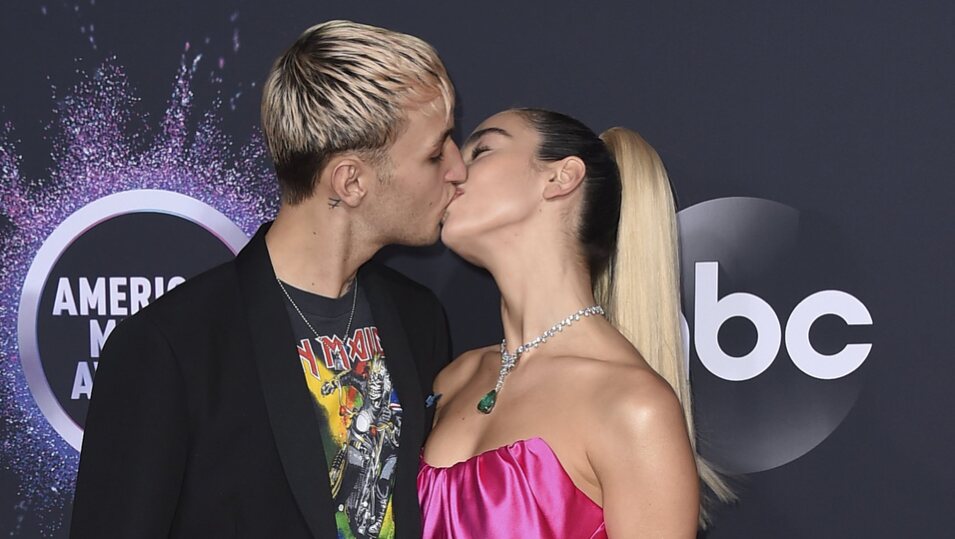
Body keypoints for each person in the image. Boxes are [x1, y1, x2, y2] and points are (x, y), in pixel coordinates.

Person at [71, 20, 466, 538]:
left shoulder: (418, 318)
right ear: (351, 181)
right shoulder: (172, 347)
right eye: (436, 153)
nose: (458, 168)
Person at [418, 109, 733, 538]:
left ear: (561, 178)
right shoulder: (454, 378)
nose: (453, 171)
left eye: (482, 150)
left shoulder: (632, 407)